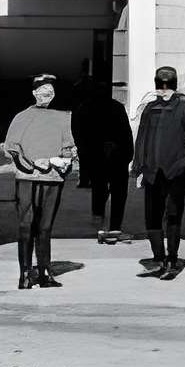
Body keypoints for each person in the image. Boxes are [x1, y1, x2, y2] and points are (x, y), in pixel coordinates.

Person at [132, 65, 185, 280]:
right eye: (160, 88)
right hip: (152, 172)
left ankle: (172, 260)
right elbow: (141, 140)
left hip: (176, 171)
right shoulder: (149, 109)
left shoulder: (184, 107)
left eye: (167, 88)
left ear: (173, 88)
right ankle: (158, 260)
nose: (164, 92)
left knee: (173, 216)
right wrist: (138, 167)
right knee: (152, 217)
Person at [4, 72, 75, 289]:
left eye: (50, 92)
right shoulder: (22, 117)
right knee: (26, 226)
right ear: (34, 93)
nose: (47, 96)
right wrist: (33, 163)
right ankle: (25, 274)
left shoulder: (63, 118)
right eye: (43, 92)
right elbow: (11, 148)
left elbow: (68, 148)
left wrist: (64, 161)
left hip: (53, 178)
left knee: (45, 227)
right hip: (27, 177)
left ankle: (44, 273)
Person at [71, 69, 135, 244]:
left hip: (97, 157)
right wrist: (126, 154)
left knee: (100, 190)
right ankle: (114, 227)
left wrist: (87, 153)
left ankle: (100, 222)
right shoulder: (116, 107)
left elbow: (78, 134)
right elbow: (126, 133)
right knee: (118, 193)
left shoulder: (83, 108)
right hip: (116, 156)